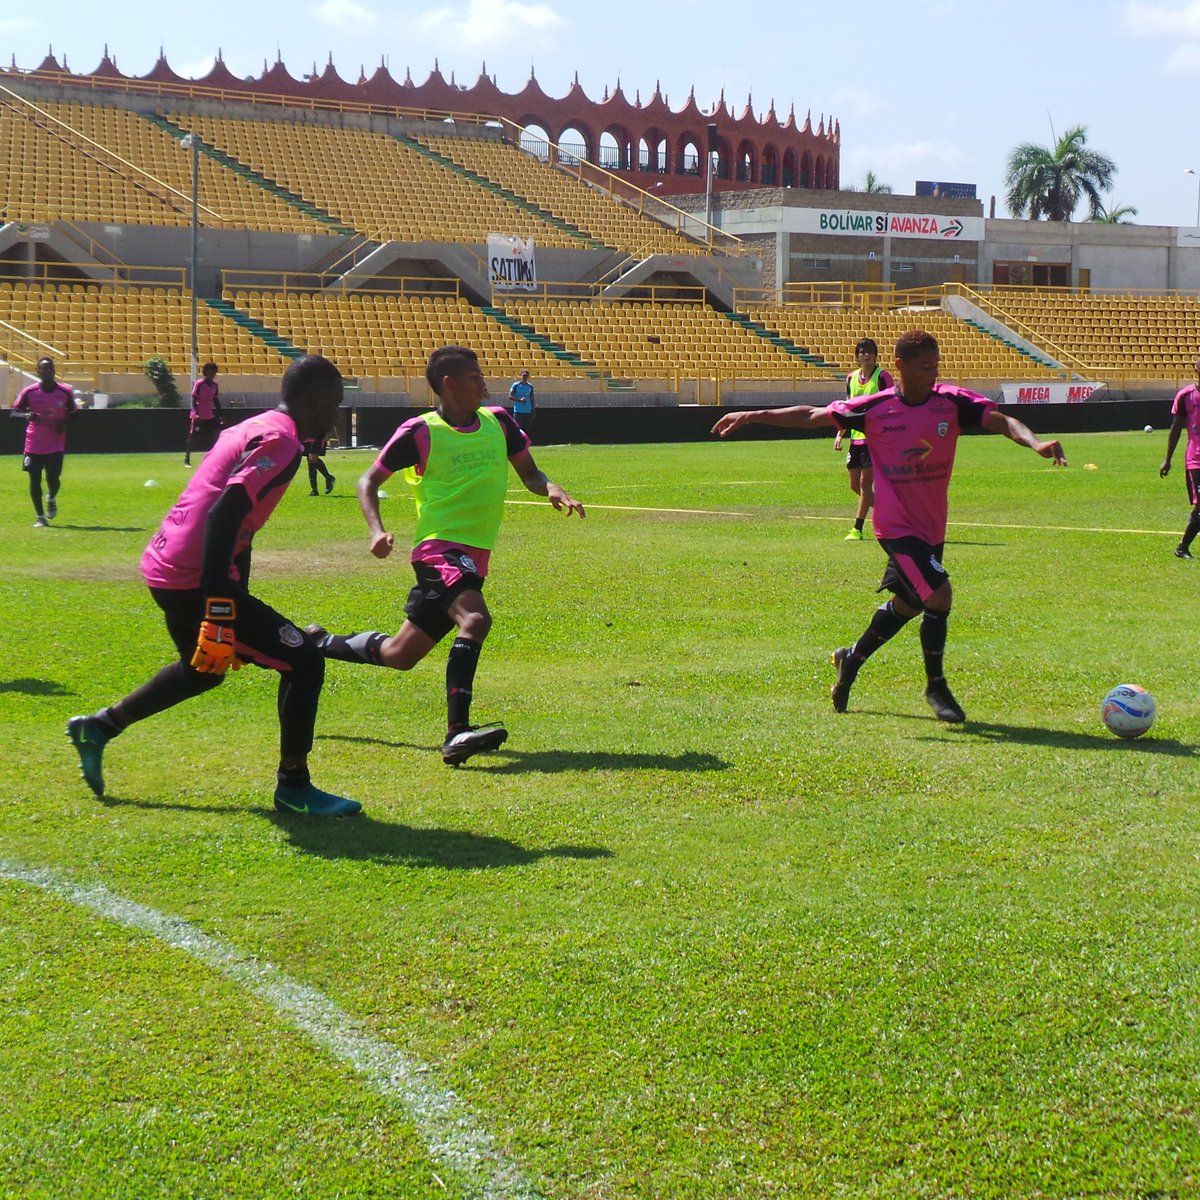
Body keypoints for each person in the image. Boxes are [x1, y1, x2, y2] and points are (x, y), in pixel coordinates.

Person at [713, 329, 1067, 723]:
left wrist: (1035, 442)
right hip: (896, 529)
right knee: (940, 595)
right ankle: (936, 686)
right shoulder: (875, 407)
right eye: (924, 367)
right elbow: (813, 416)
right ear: (900, 366)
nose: (933, 374)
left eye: (936, 366)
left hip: (931, 528)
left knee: (910, 604)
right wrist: (753, 415)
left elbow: (1001, 421)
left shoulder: (950, 402)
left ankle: (851, 658)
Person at [67, 355, 361, 816]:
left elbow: (232, 516)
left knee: (202, 669)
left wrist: (233, 590)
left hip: (168, 562)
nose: (336, 415)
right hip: (192, 575)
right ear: (315, 399)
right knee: (303, 659)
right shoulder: (282, 441)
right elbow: (227, 510)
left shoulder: (256, 425)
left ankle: (99, 727)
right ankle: (294, 788)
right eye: (335, 404)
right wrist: (220, 600)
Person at [308, 345, 585, 766]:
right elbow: (368, 481)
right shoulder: (420, 432)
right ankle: (457, 733)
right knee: (475, 619)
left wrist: (550, 486)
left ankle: (316, 642)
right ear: (449, 384)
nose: (484, 381)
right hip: (440, 549)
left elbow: (530, 472)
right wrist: (376, 531)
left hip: (475, 555)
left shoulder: (499, 421)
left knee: (401, 655)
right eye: (474, 376)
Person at [833, 337, 893, 540]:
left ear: (876, 355)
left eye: (869, 351)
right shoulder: (851, 378)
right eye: (862, 352)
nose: (866, 355)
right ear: (857, 356)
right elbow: (848, 408)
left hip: (875, 438)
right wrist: (840, 433)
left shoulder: (883, 377)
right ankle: (892, 514)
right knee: (855, 485)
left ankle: (857, 529)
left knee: (865, 483)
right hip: (856, 438)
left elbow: (892, 405)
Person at [13, 357, 76, 527]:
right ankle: (40, 516)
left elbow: (74, 412)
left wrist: (64, 424)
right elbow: (14, 412)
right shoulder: (29, 392)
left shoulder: (64, 392)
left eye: (50, 368)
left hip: (55, 443)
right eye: (44, 368)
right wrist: (25, 415)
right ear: (38, 371)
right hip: (34, 443)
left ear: (54, 370)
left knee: (53, 478)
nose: (47, 371)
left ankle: (51, 497)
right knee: (34, 479)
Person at [1159, 358, 1200, 559]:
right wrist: (1168, 459)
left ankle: (1183, 548)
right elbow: (1176, 429)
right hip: (1196, 460)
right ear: (1196, 369)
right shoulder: (1186, 396)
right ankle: (1182, 548)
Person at [184, 361, 222, 467]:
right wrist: (195, 413)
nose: (213, 374)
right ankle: (187, 459)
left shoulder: (215, 385)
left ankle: (215, 458)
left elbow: (216, 400)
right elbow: (193, 398)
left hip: (209, 414)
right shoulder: (199, 384)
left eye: (214, 372)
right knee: (193, 437)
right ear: (206, 372)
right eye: (210, 371)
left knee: (217, 435)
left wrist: (221, 414)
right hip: (199, 415)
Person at [303, 429, 336, 496]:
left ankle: (328, 478)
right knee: (310, 459)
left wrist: (328, 432)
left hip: (318, 434)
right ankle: (314, 490)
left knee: (312, 457)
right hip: (307, 433)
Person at [507, 369, 536, 439]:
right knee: (517, 428)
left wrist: (533, 409)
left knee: (527, 429)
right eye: (523, 375)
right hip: (518, 411)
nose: (525, 377)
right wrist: (519, 400)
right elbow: (510, 396)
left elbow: (532, 398)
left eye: (526, 376)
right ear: (520, 376)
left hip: (528, 411)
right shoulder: (516, 385)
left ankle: (526, 443)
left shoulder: (530, 386)